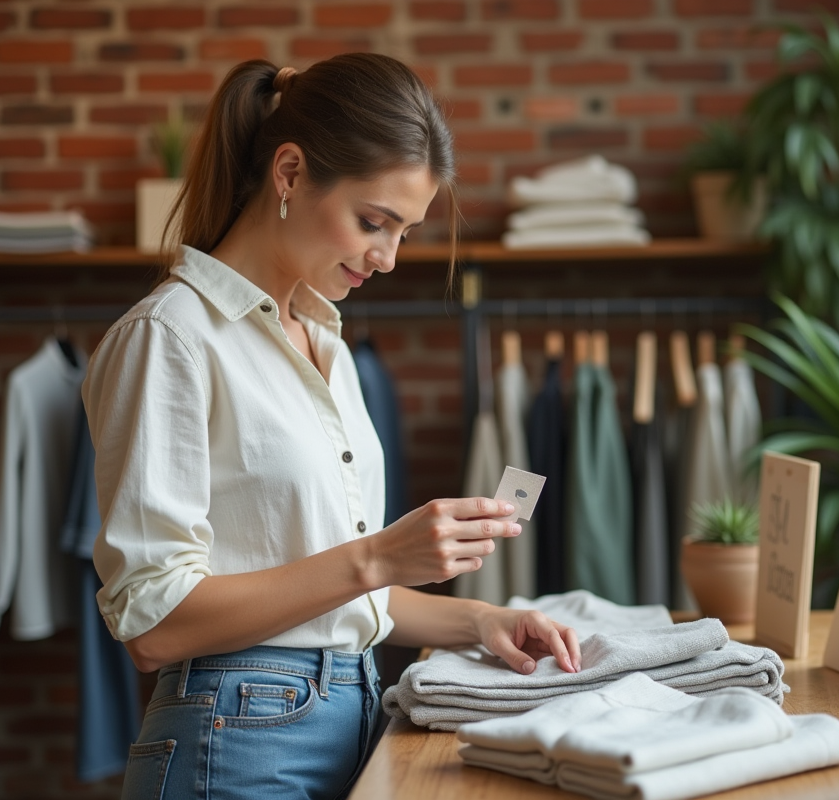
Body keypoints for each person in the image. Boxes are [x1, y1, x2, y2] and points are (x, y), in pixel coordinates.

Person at [83, 55, 582, 800]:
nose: (386, 258)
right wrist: (381, 554)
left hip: (353, 713)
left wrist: (482, 620)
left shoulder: (326, 344)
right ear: (288, 173)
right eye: (373, 222)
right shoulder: (171, 337)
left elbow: (335, 603)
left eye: (405, 232)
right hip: (235, 739)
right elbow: (155, 627)